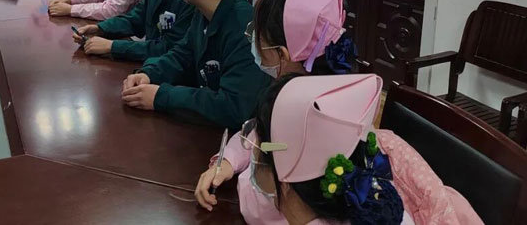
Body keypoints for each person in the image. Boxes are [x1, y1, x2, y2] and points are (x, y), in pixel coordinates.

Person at [197, 74, 482, 225]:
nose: (252, 153)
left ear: (285, 182)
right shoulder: (339, 162)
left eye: (255, 151)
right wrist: (228, 160)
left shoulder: (269, 196)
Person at [121, 0, 270, 131]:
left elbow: (233, 106)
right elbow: (183, 54)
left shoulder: (243, 26)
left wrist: (161, 96)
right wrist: (149, 74)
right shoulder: (204, 11)